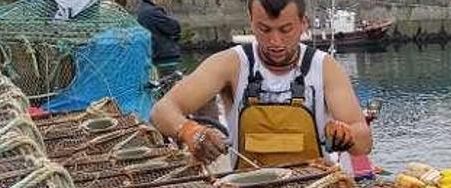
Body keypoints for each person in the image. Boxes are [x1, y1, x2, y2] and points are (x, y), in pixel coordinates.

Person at [149, 0, 371, 170]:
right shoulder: (231, 64)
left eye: (286, 29)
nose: (275, 41)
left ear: (304, 23)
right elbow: (162, 111)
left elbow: (364, 143)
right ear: (251, 21)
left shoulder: (324, 67)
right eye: (264, 29)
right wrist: (190, 131)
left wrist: (346, 134)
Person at [133, 0, 182, 77]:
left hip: (154, 54)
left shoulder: (142, 10)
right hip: (164, 55)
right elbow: (174, 27)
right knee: (171, 83)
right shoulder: (152, 11)